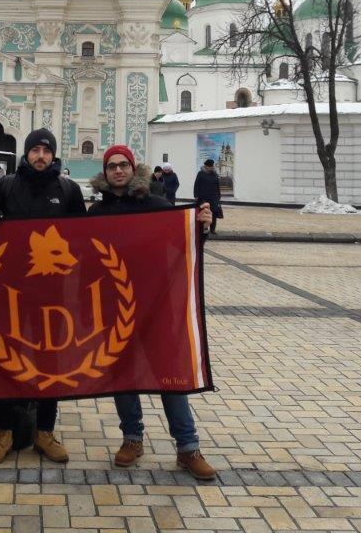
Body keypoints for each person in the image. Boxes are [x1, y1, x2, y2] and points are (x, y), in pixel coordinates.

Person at [87, 145, 217, 480]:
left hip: (157, 307)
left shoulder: (156, 206)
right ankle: (132, 438)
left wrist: (202, 226)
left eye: (123, 165)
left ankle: (188, 447)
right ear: (105, 172)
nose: (118, 171)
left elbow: (183, 243)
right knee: (124, 376)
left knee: (169, 375)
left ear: (133, 168)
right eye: (112, 166)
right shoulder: (96, 215)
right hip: (116, 308)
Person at [0, 128, 86, 465]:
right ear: (26, 153)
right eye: (35, 150)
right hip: (10, 291)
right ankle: (4, 432)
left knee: (50, 361)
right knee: (5, 358)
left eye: (46, 150)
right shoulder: (6, 186)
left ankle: (44, 431)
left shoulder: (68, 190)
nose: (41, 156)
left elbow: (83, 239)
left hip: (52, 293)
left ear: (54, 155)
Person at [193, 159, 223, 234]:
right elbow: (196, 184)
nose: (211, 168)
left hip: (214, 197)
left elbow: (217, 186)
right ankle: (205, 230)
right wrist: (196, 195)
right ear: (206, 166)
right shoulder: (201, 173)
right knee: (205, 214)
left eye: (211, 166)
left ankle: (213, 230)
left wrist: (219, 196)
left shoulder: (215, 174)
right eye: (209, 166)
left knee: (214, 214)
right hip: (203, 197)